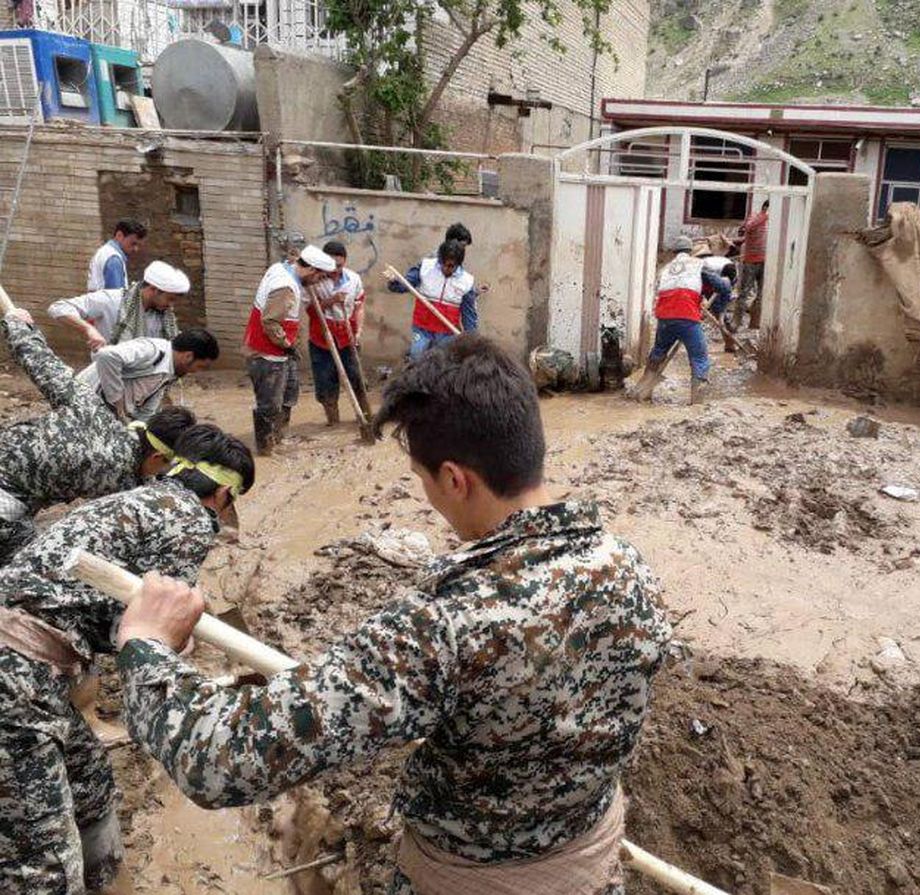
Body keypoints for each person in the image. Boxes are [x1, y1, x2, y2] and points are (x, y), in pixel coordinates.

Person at [112, 335, 672, 894]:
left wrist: (146, 645)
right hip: (591, 872)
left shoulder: (445, 622)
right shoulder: (627, 566)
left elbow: (220, 761)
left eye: (422, 479)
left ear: (454, 479)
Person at [0, 424, 254, 894]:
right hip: (16, 677)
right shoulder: (191, 521)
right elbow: (146, 638)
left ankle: (109, 880)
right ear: (222, 494)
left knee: (90, 780)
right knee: (44, 868)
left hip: (30, 665)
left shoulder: (137, 498)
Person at [0, 308, 195, 563]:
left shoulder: (93, 407)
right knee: (35, 566)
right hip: (5, 503)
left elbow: (43, 365)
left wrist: (18, 325)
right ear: (158, 456)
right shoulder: (120, 483)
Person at [243, 244, 336, 454]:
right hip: (268, 354)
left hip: (280, 353)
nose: (318, 282)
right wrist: (288, 344)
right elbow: (270, 323)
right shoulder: (285, 286)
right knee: (269, 405)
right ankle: (266, 450)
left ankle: (280, 437)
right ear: (311, 270)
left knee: (288, 396)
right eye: (319, 277)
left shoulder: (284, 268)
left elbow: (293, 258)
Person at [630, 235, 733, 405]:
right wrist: (727, 282)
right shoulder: (698, 264)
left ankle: (644, 391)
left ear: (673, 252)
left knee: (658, 351)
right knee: (699, 358)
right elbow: (720, 287)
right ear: (690, 250)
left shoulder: (665, 269)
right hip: (687, 317)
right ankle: (697, 402)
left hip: (664, 317)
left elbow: (666, 290)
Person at [77, 328, 219, 422]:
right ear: (188, 356)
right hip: (81, 406)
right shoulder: (151, 351)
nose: (196, 372)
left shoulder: (169, 372)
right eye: (200, 366)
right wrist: (117, 400)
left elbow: (146, 412)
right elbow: (107, 355)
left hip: (102, 416)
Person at [49, 259, 190, 352]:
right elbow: (59, 307)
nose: (171, 305)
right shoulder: (112, 300)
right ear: (153, 289)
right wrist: (88, 329)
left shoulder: (163, 316)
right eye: (169, 299)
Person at [305, 240, 369, 425]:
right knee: (326, 384)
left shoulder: (354, 279)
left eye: (339, 265)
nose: (335, 270)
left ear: (345, 261)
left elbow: (360, 307)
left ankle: (366, 418)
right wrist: (331, 300)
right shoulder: (314, 281)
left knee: (357, 380)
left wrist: (359, 331)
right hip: (321, 339)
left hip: (347, 337)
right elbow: (310, 311)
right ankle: (333, 422)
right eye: (331, 266)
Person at [388, 239, 478, 358]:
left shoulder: (466, 282)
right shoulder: (425, 267)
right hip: (422, 328)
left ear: (458, 264)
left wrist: (472, 339)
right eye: (443, 264)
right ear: (439, 259)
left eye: (451, 266)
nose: (445, 269)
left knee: (443, 365)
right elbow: (406, 284)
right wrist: (394, 283)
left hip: (447, 333)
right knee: (416, 357)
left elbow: (469, 315)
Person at [735, 199, 769, 329]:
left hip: (765, 261)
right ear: (765, 207)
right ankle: (736, 323)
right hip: (751, 261)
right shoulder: (755, 217)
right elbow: (748, 227)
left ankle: (754, 322)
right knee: (744, 292)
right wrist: (764, 216)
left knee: (762, 293)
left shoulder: (771, 222)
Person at [86, 220, 146, 292]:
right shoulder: (114, 260)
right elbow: (116, 296)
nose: (136, 249)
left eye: (138, 245)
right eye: (133, 244)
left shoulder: (104, 252)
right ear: (119, 235)